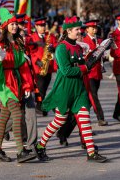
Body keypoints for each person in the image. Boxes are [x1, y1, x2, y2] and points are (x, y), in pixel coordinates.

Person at [34, 16, 107, 163]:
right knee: (59, 120)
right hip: (65, 89)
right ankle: (40, 145)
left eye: (79, 29)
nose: (79, 32)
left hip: (78, 89)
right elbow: (66, 70)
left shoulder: (79, 47)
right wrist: (85, 67)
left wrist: (94, 58)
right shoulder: (61, 47)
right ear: (68, 31)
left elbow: (82, 64)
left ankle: (91, 153)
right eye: (77, 29)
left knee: (85, 118)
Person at [0, 8, 36, 163]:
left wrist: (27, 86)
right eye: (11, 24)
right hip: (5, 82)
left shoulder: (18, 43)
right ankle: (21, 151)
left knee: (4, 118)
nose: (14, 26)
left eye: (15, 24)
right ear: (5, 26)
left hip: (17, 81)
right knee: (17, 113)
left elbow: (23, 67)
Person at [29, 17, 57, 116]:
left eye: (44, 25)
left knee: (44, 88)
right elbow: (30, 52)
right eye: (40, 26)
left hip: (48, 67)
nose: (43, 28)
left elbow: (56, 45)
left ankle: (41, 106)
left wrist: (53, 47)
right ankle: (41, 107)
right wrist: (37, 61)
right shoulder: (32, 37)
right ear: (36, 26)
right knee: (40, 89)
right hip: (38, 67)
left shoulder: (50, 36)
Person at [83, 19, 107, 126]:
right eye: (92, 28)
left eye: (95, 27)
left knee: (89, 99)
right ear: (87, 29)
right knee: (94, 96)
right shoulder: (84, 41)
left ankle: (82, 117)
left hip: (97, 72)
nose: (94, 29)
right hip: (89, 73)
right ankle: (100, 117)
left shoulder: (100, 40)